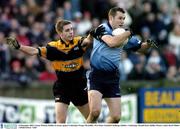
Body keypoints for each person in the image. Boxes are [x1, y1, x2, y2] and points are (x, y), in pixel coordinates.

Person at [5, 19, 102, 123]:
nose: (71, 32)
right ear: (60, 33)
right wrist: (19, 47)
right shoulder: (53, 47)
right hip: (62, 88)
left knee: (91, 120)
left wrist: (92, 34)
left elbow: (87, 40)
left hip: (79, 87)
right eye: (67, 30)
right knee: (60, 123)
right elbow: (34, 51)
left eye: (72, 29)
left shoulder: (78, 41)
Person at [87, 7, 159, 123]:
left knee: (116, 117)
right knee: (95, 112)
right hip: (97, 75)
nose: (122, 21)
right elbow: (111, 42)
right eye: (119, 18)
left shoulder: (123, 33)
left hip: (112, 77)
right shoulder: (102, 28)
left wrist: (148, 45)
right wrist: (128, 33)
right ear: (111, 18)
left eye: (124, 19)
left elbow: (139, 48)